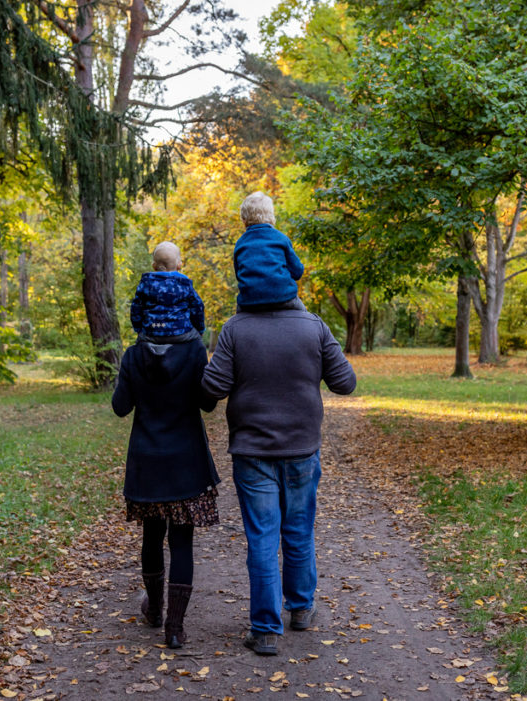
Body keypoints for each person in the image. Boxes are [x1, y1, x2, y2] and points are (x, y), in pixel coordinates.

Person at [202, 199, 356, 654]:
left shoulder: (234, 330)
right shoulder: (313, 326)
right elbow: (345, 383)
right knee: (298, 530)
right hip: (302, 448)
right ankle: (302, 608)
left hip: (252, 452)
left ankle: (266, 631)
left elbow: (211, 389)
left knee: (262, 538)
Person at [113, 244, 217, 650]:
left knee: (151, 538)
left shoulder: (133, 354)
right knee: (183, 542)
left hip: (148, 464)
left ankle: (154, 610)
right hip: (187, 463)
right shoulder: (193, 350)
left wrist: (131, 380)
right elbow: (207, 402)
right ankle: (175, 627)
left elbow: (121, 408)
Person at [232, 191, 305, 311]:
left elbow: (239, 274)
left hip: (250, 301)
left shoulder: (240, 243)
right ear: (271, 216)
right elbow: (298, 272)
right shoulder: (281, 238)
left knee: (236, 321)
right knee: (306, 318)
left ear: (243, 219)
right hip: (283, 297)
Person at [130, 241, 205, 339]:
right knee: (197, 344)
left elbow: (136, 308)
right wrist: (200, 329)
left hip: (151, 333)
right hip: (181, 332)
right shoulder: (184, 284)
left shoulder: (146, 284)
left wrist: (139, 329)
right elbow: (198, 307)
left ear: (154, 265)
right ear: (179, 265)